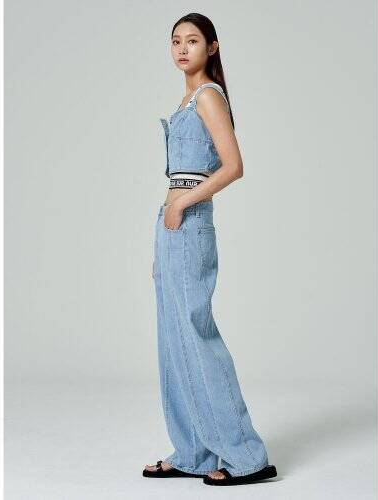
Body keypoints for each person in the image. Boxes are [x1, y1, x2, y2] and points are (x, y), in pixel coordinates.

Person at [143, 13, 277, 486]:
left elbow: (234, 165)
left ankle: (246, 456)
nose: (182, 49)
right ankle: (194, 452)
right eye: (175, 41)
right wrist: (165, 230)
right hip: (171, 226)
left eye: (193, 41)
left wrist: (183, 203)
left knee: (196, 338)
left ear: (212, 47)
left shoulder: (207, 97)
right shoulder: (185, 101)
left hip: (189, 219)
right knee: (173, 341)